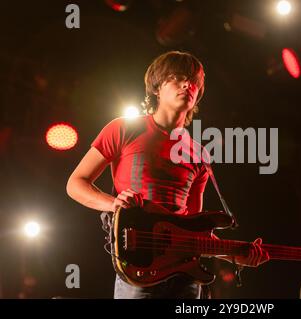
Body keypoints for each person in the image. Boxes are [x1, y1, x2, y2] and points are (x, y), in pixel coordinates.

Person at [66, 51, 269, 299]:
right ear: (157, 87)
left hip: (185, 277)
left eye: (194, 81)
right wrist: (113, 203)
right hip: (139, 267)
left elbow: (194, 232)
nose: (188, 84)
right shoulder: (123, 128)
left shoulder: (200, 154)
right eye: (177, 77)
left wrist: (235, 254)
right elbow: (75, 184)